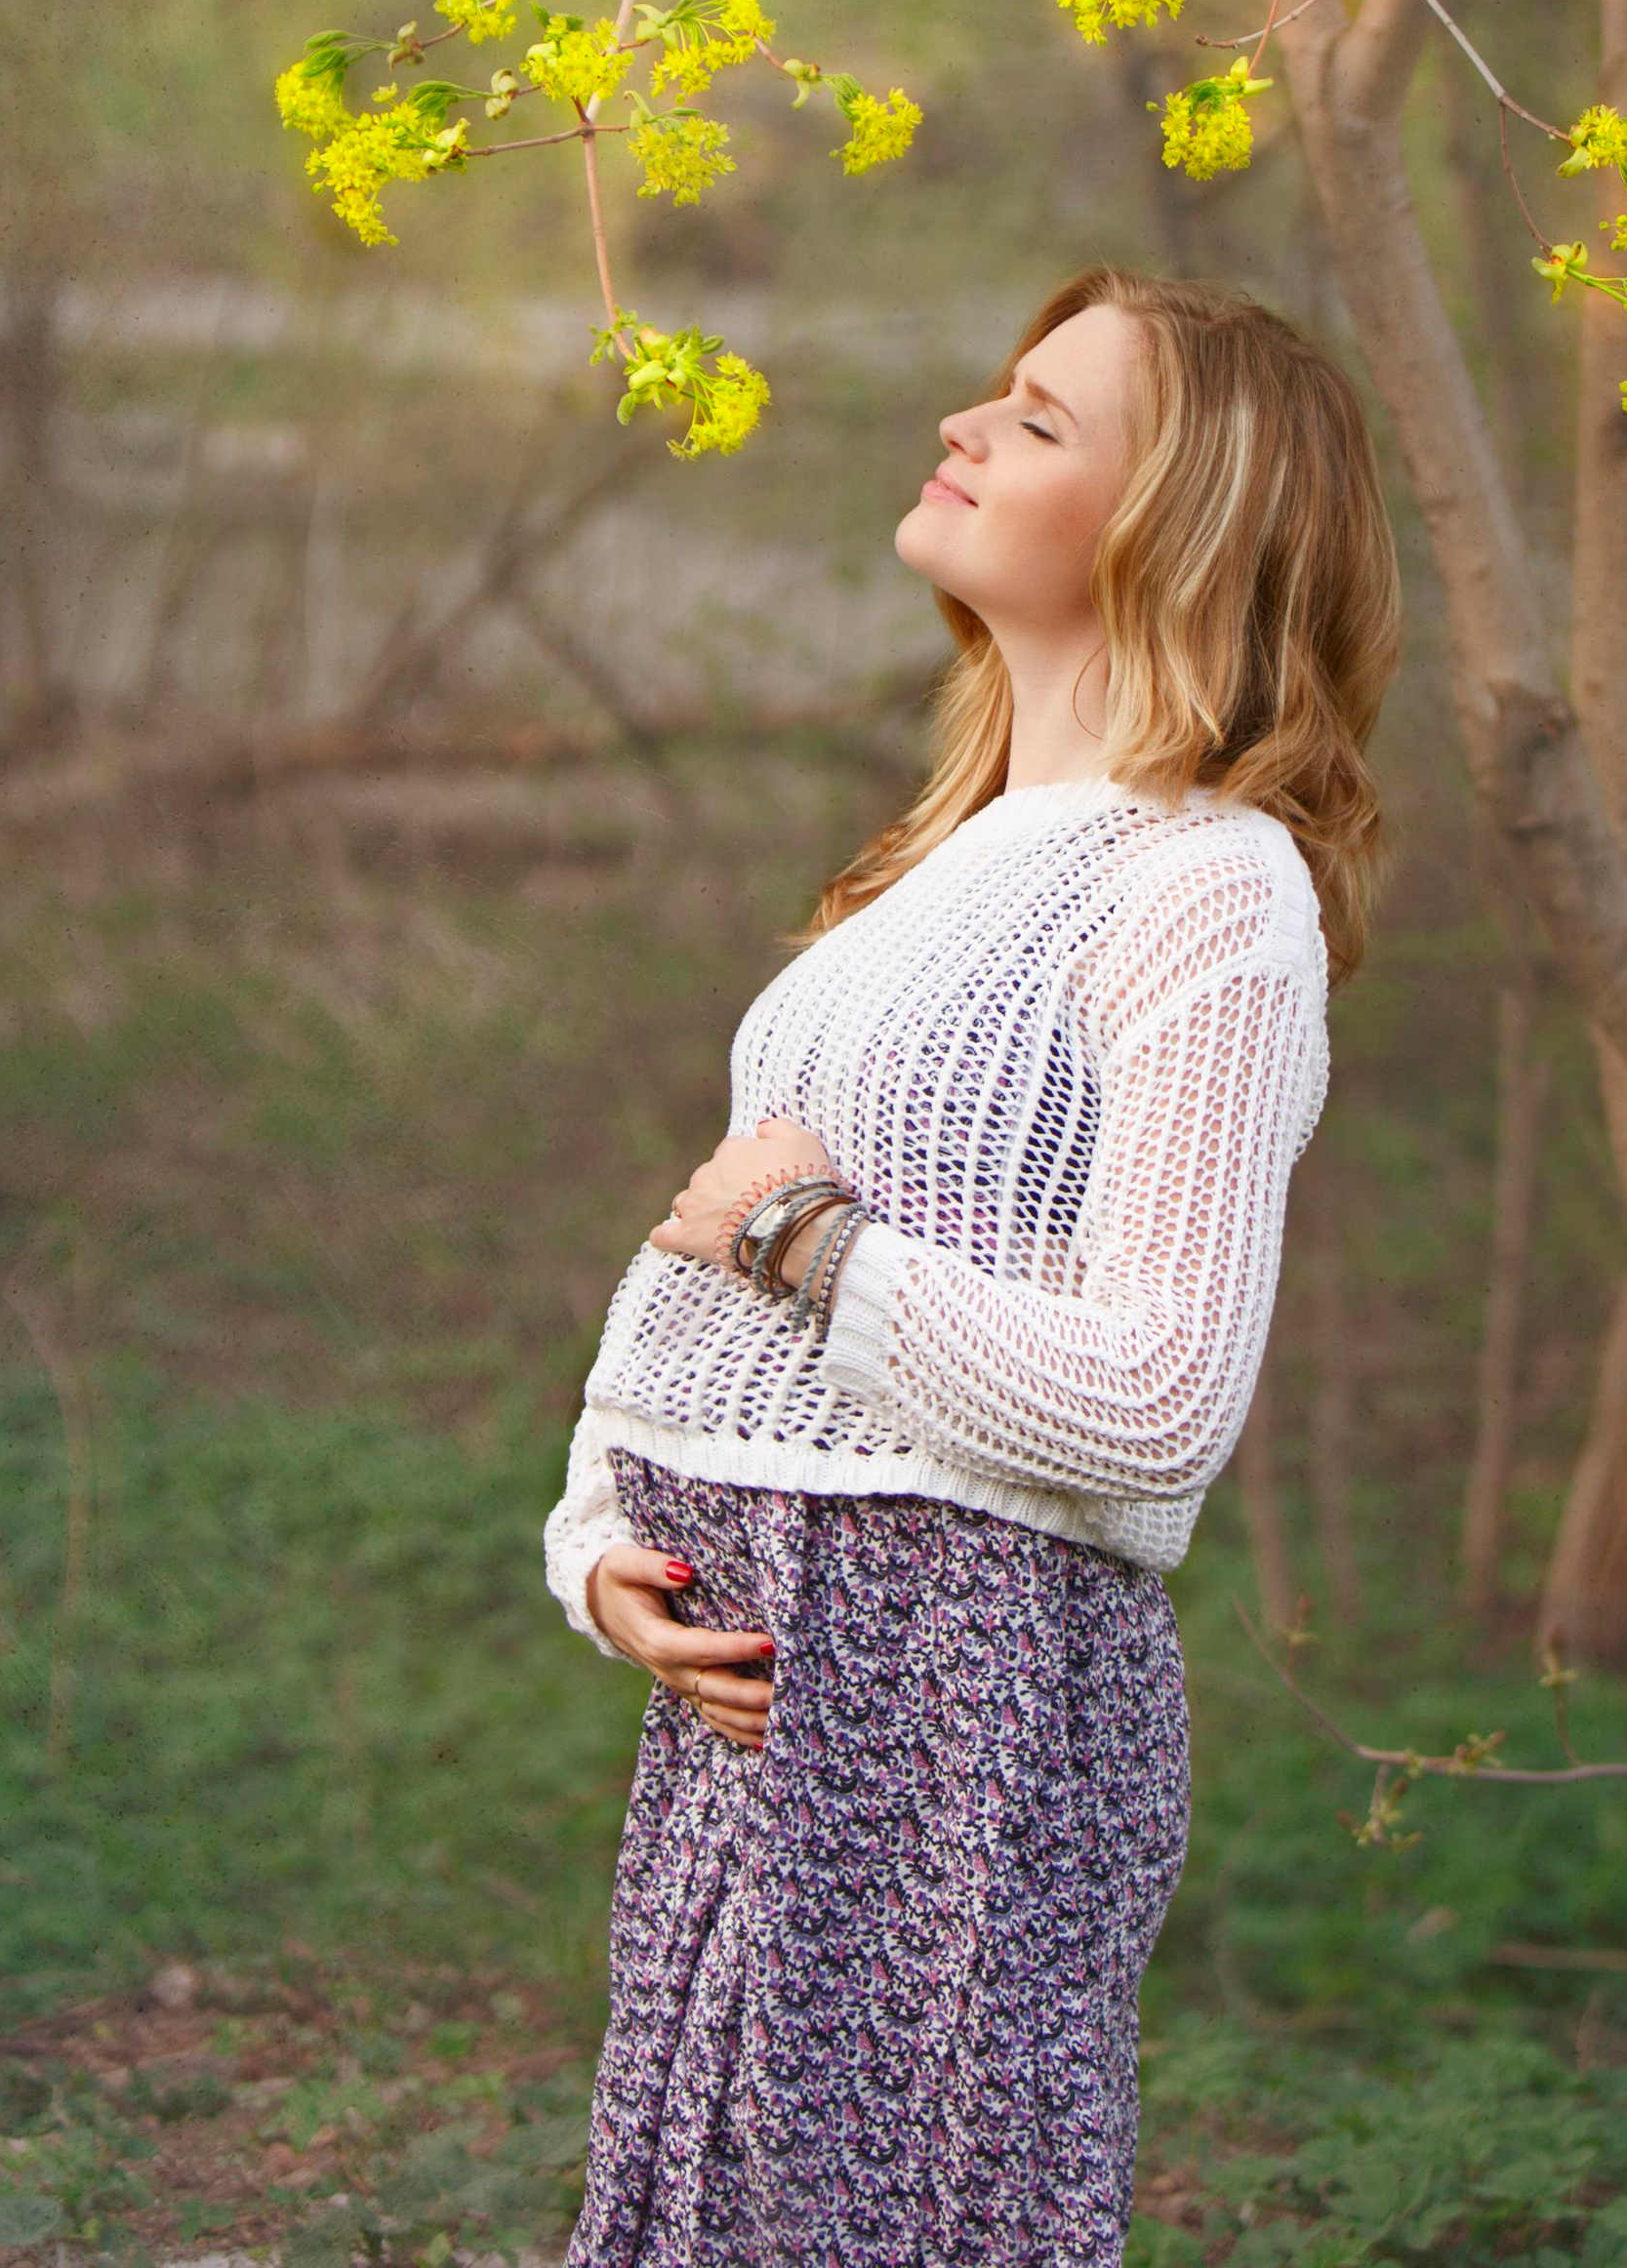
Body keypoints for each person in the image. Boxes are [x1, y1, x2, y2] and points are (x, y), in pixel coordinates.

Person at [544, 264, 1401, 2268]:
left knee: (897, 2226)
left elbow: (1158, 1395)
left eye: (1037, 417)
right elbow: (696, 1279)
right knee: (698, 2222)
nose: (963, 425)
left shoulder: (1208, 885)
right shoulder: (935, 870)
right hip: (753, 1678)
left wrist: (810, 1240)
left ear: (1174, 523)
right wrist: (598, 1552)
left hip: (960, 1678)